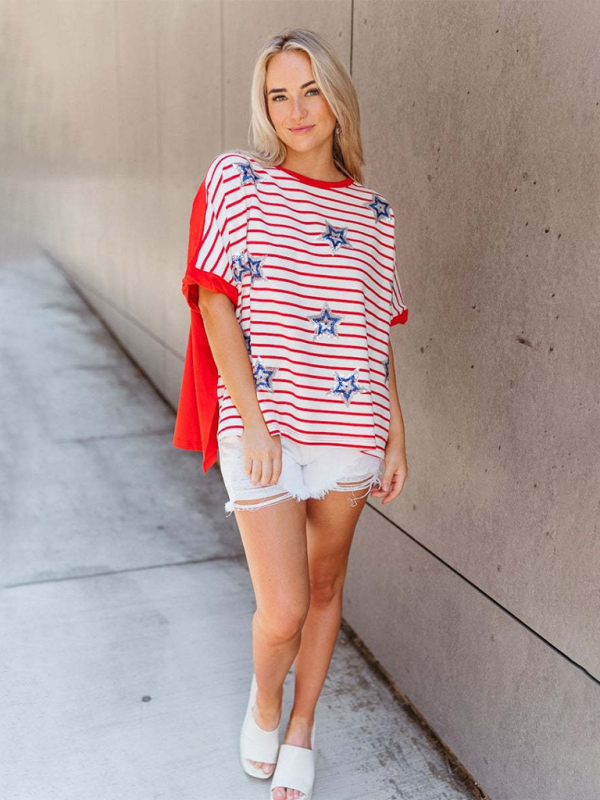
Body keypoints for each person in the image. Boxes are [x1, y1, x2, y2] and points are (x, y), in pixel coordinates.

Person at [173, 27, 409, 800]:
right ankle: (266, 699)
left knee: (328, 582)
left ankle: (302, 725)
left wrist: (396, 437)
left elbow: (379, 332)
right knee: (283, 607)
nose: (296, 110)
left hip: (349, 431)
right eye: (279, 95)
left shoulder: (376, 213)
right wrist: (256, 422)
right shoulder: (239, 181)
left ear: (337, 101)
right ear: (263, 106)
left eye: (310, 91)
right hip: (265, 426)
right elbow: (214, 301)